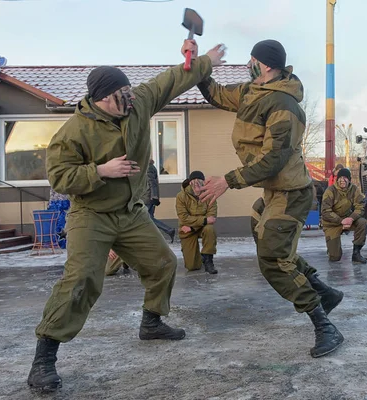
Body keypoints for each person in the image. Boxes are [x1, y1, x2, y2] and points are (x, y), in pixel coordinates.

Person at [27, 41, 226, 392]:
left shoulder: (137, 104)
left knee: (163, 262)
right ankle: (44, 357)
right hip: (91, 213)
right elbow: (60, 177)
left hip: (131, 212)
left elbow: (170, 81)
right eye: (121, 94)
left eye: (129, 90)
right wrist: (100, 170)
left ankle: (151, 323)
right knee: (82, 281)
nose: (129, 98)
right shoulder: (73, 132)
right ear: (103, 98)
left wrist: (203, 62)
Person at [196, 39, 344, 358]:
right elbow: (217, 94)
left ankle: (325, 327)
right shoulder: (252, 91)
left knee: (273, 260)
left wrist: (228, 181)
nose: (247, 65)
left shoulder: (283, 105)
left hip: (292, 193)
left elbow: (273, 159)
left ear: (264, 65)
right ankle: (324, 292)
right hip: (272, 192)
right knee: (267, 238)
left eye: (251, 60)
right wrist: (199, 64)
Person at [321, 168, 367, 263]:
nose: (342, 180)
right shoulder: (330, 191)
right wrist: (340, 221)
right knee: (335, 257)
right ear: (337, 179)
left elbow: (360, 206)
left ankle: (356, 253)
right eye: (340, 178)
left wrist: (351, 218)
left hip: (348, 220)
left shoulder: (354, 189)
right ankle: (332, 248)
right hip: (332, 224)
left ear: (349, 180)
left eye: (345, 178)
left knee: (362, 222)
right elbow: (325, 212)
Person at [175, 170, 218, 274]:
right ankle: (198, 258)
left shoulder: (210, 195)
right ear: (190, 183)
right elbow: (184, 217)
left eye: (200, 181)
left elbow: (211, 217)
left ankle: (208, 260)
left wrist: (193, 226)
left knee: (209, 229)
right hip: (187, 231)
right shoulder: (181, 196)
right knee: (192, 266)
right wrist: (203, 220)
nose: (197, 184)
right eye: (194, 181)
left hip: (195, 227)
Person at [144, 159, 176, 243]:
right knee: (149, 219)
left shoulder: (148, 167)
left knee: (146, 218)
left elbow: (152, 183)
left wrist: (154, 196)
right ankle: (154, 239)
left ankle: (168, 230)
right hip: (148, 197)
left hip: (146, 198)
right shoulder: (149, 166)